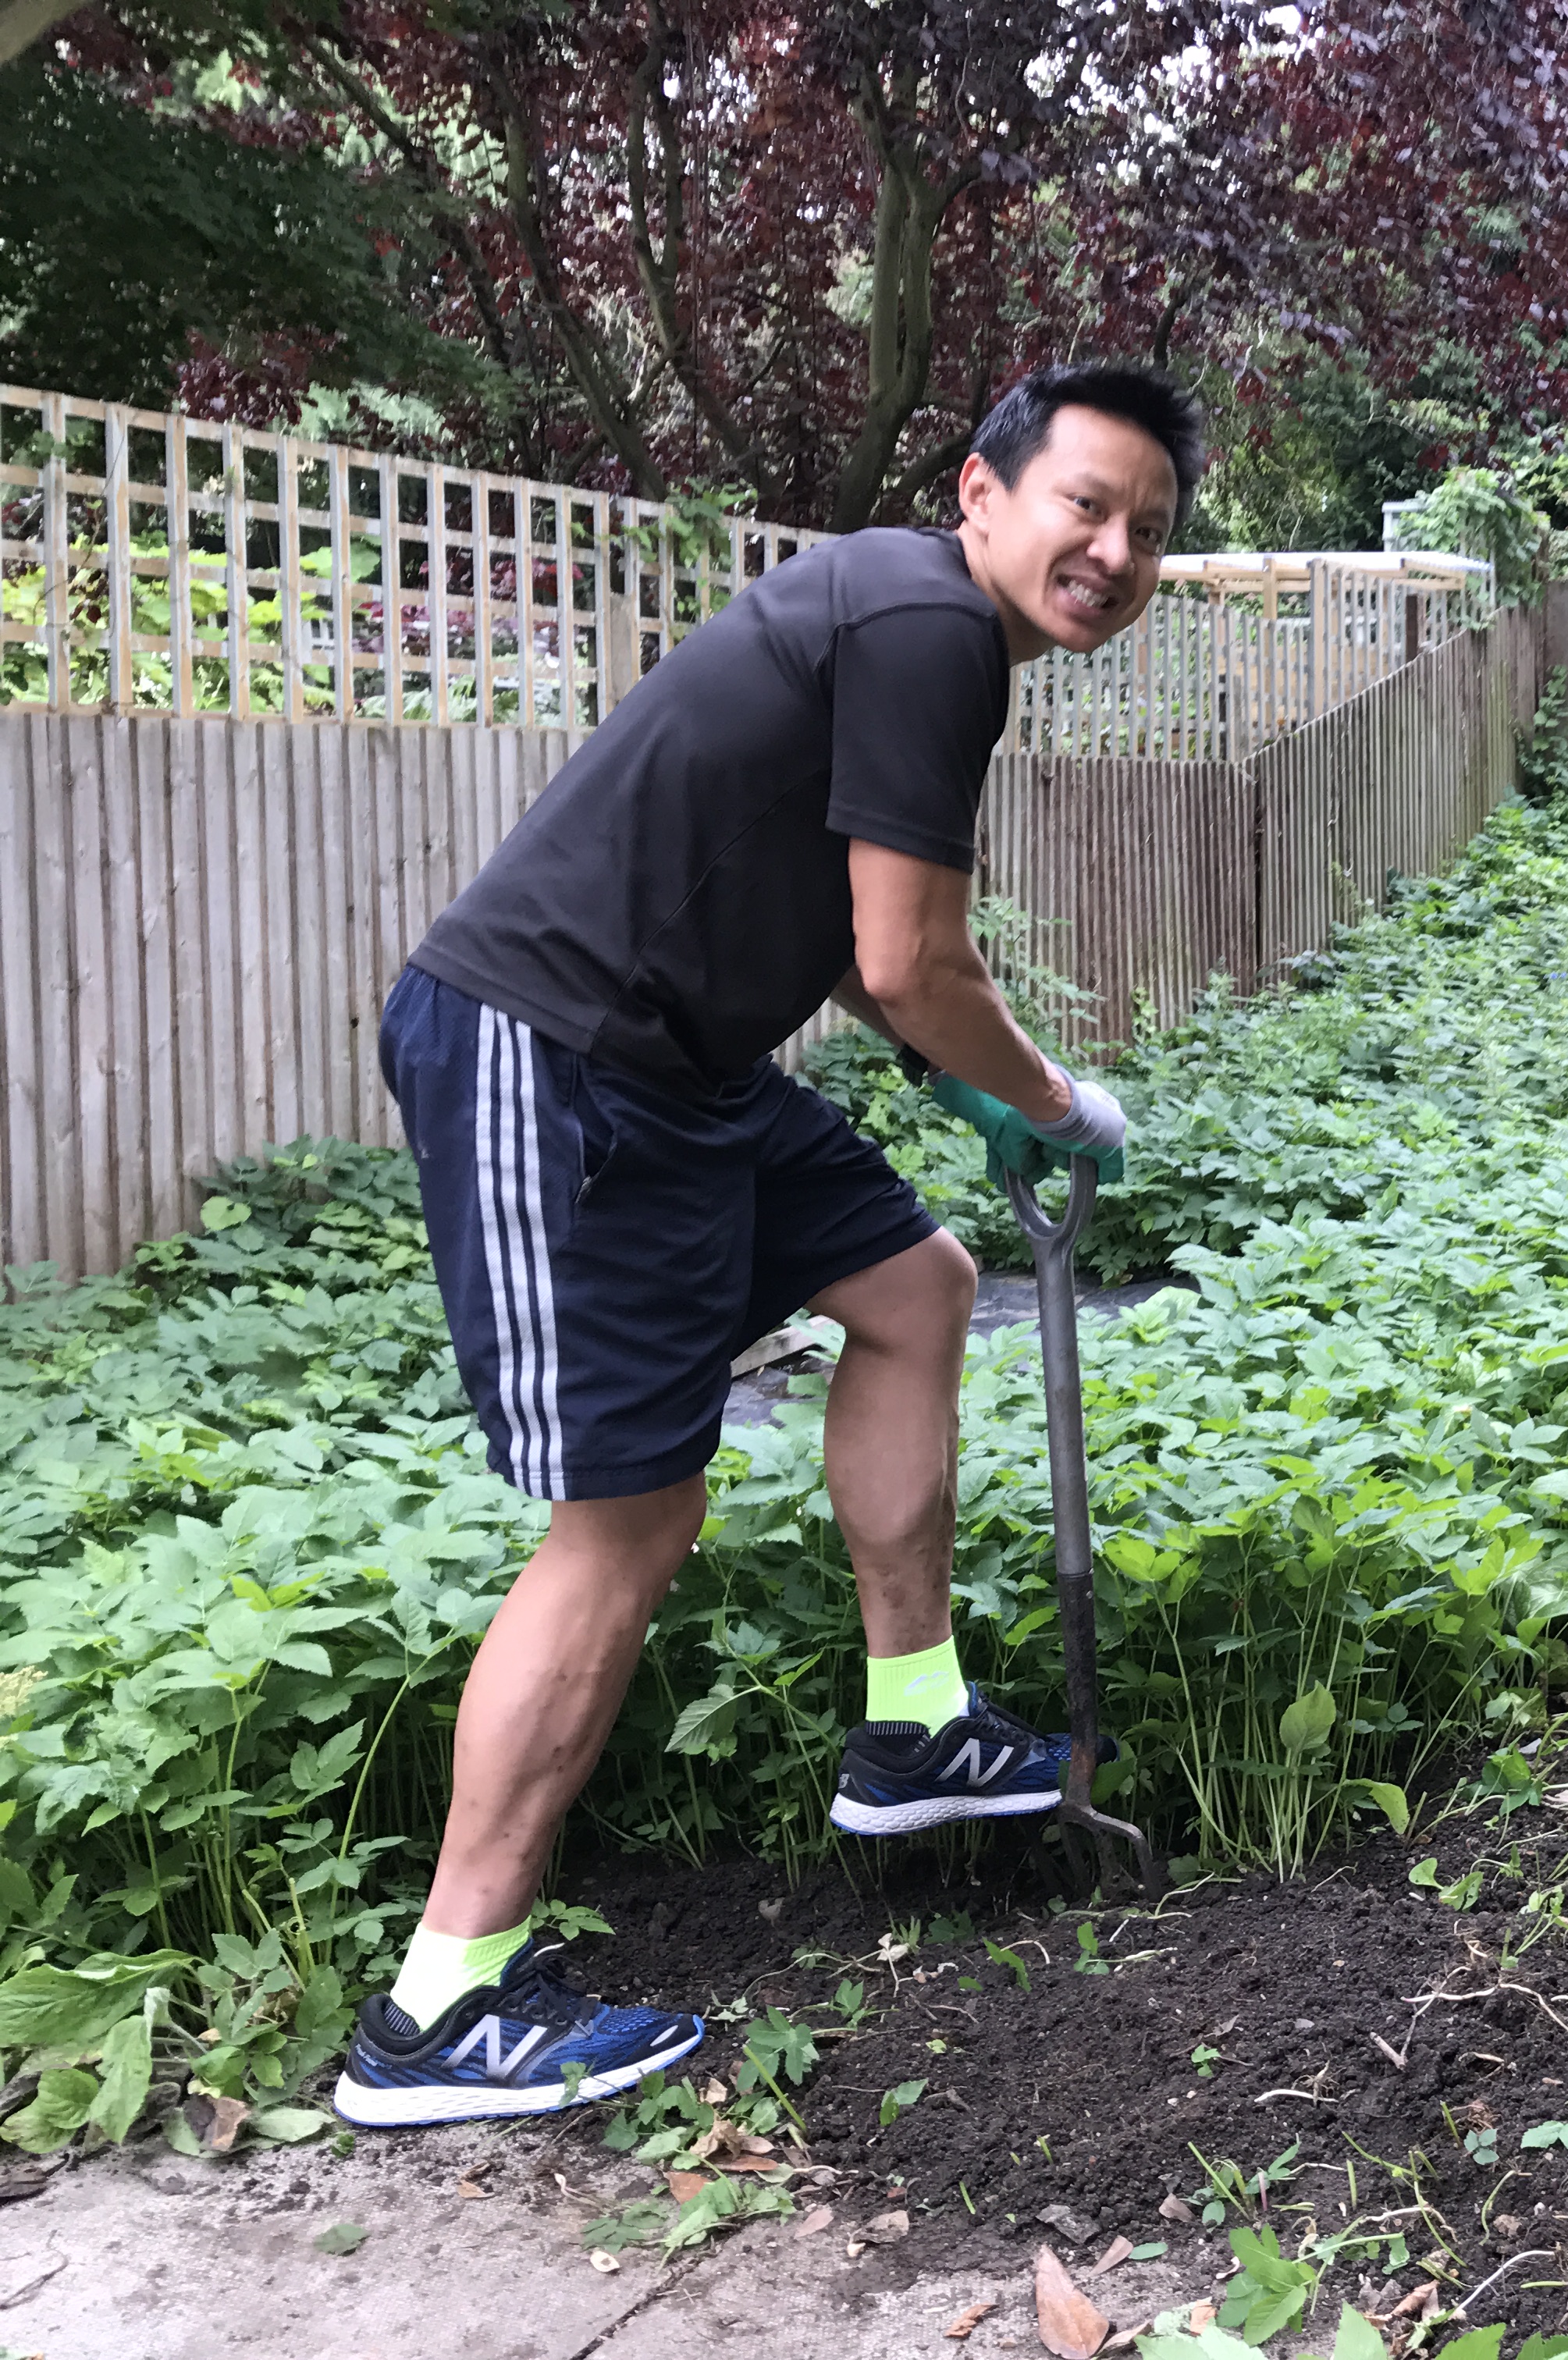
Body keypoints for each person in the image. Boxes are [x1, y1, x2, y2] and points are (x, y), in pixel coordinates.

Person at [328, 364, 1197, 2128]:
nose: (1112, 550)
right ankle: (438, 2009)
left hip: (689, 1068)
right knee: (634, 1513)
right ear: (984, 494)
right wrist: (1043, 1096)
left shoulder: (907, 620)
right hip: (554, 1051)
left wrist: (959, 1083)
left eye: (1149, 532)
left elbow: (848, 919)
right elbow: (910, 962)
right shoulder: (928, 625)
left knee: (915, 1287)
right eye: (1085, 504)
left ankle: (912, 1728)